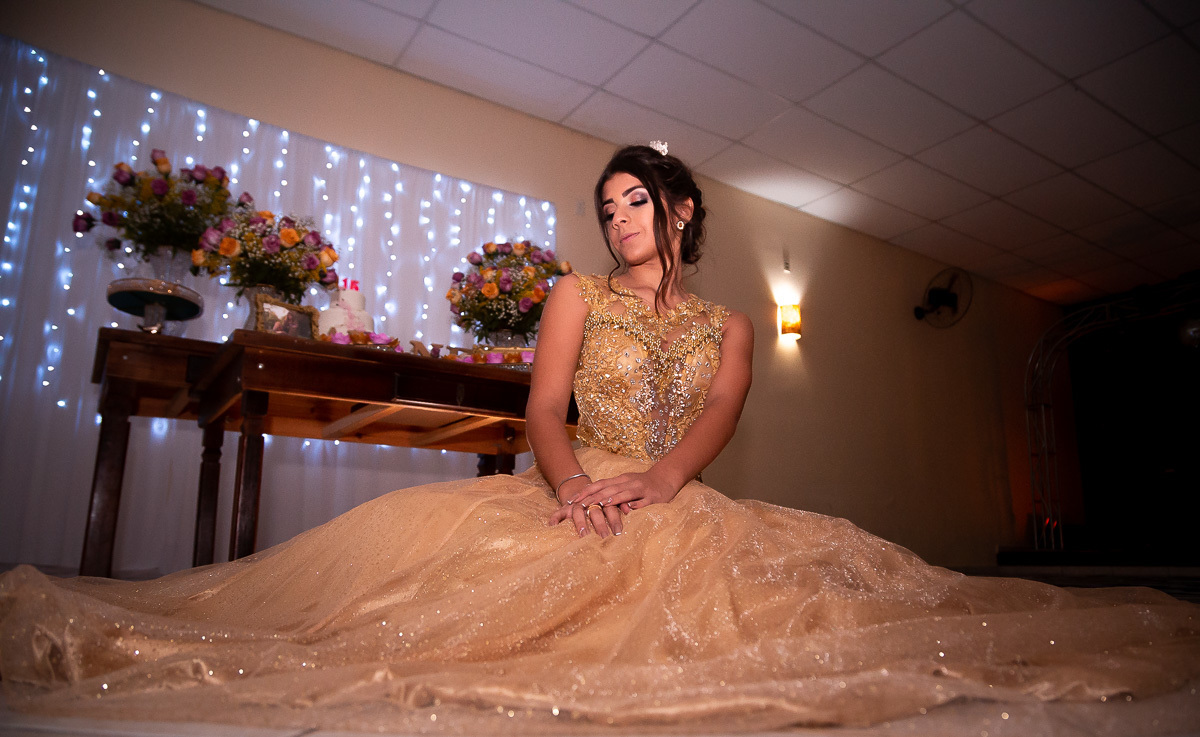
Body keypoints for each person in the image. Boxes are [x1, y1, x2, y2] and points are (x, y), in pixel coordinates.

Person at [0, 145, 1197, 736]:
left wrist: (664, 486)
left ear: (679, 210)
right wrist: (572, 488)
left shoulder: (732, 323)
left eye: (637, 199)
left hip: (673, 495)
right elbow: (539, 414)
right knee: (403, 603)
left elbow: (721, 415)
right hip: (574, 481)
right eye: (607, 204)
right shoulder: (575, 292)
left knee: (838, 605)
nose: (619, 216)